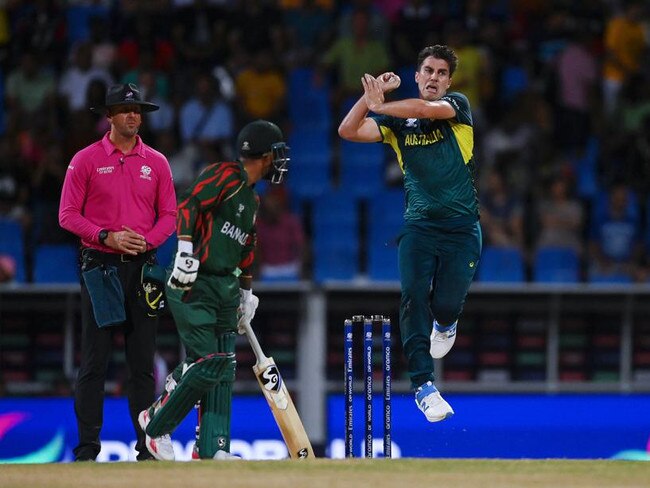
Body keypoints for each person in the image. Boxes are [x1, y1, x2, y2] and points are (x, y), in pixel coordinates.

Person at [338, 45, 482, 422]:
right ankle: (424, 387)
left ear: (449, 81)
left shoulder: (457, 108)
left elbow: (422, 110)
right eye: (427, 71)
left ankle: (446, 322)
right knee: (413, 296)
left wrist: (381, 105)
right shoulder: (396, 125)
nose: (433, 77)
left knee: (446, 303)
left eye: (440, 73)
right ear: (417, 76)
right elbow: (347, 130)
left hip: (462, 229)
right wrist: (370, 99)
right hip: (419, 226)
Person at [137, 119, 290, 460]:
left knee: (224, 366)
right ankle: (156, 423)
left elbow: (246, 249)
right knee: (208, 362)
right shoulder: (224, 175)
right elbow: (188, 206)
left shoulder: (251, 199)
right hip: (194, 278)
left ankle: (212, 448)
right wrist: (186, 251)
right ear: (263, 154)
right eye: (277, 154)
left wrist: (246, 293)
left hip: (224, 285)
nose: (280, 162)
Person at [58, 83, 177, 461]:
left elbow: (170, 216)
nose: (134, 116)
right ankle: (87, 449)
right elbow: (67, 215)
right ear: (108, 116)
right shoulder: (85, 160)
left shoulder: (156, 162)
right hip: (101, 267)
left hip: (143, 269)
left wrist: (146, 242)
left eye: (138, 110)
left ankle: (146, 448)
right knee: (94, 361)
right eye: (126, 110)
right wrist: (106, 236)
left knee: (143, 364)